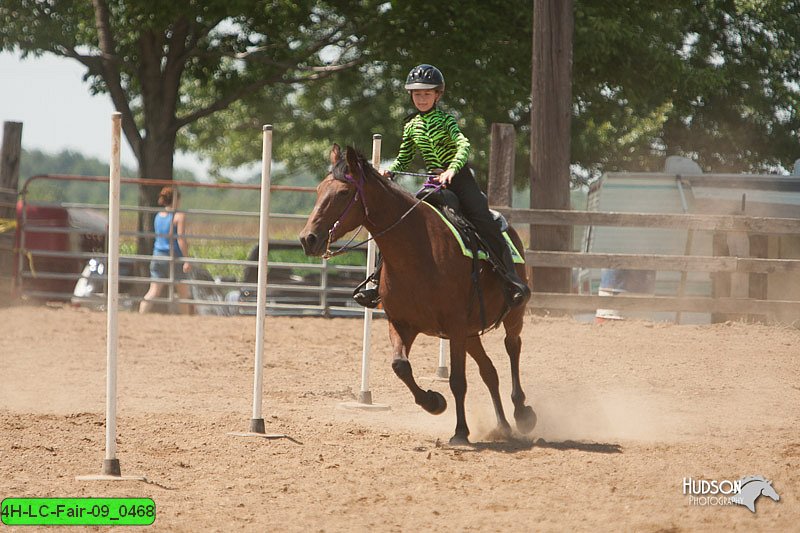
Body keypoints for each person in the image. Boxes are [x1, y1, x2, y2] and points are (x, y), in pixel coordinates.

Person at [353, 64, 531, 309]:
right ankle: (377, 283)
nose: (422, 98)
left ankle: (511, 280)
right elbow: (404, 157)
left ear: (437, 95)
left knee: (482, 218)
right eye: (417, 94)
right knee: (401, 222)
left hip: (460, 179)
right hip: (433, 183)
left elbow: (463, 145)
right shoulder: (411, 126)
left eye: (427, 93)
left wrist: (451, 170)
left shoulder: (446, 120)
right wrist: (390, 170)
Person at [139, 186, 193, 314]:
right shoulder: (179, 216)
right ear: (176, 200)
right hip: (174, 257)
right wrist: (186, 259)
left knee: (153, 291)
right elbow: (180, 238)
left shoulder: (159, 216)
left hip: (158, 255)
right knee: (183, 293)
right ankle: (186, 320)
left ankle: (141, 314)